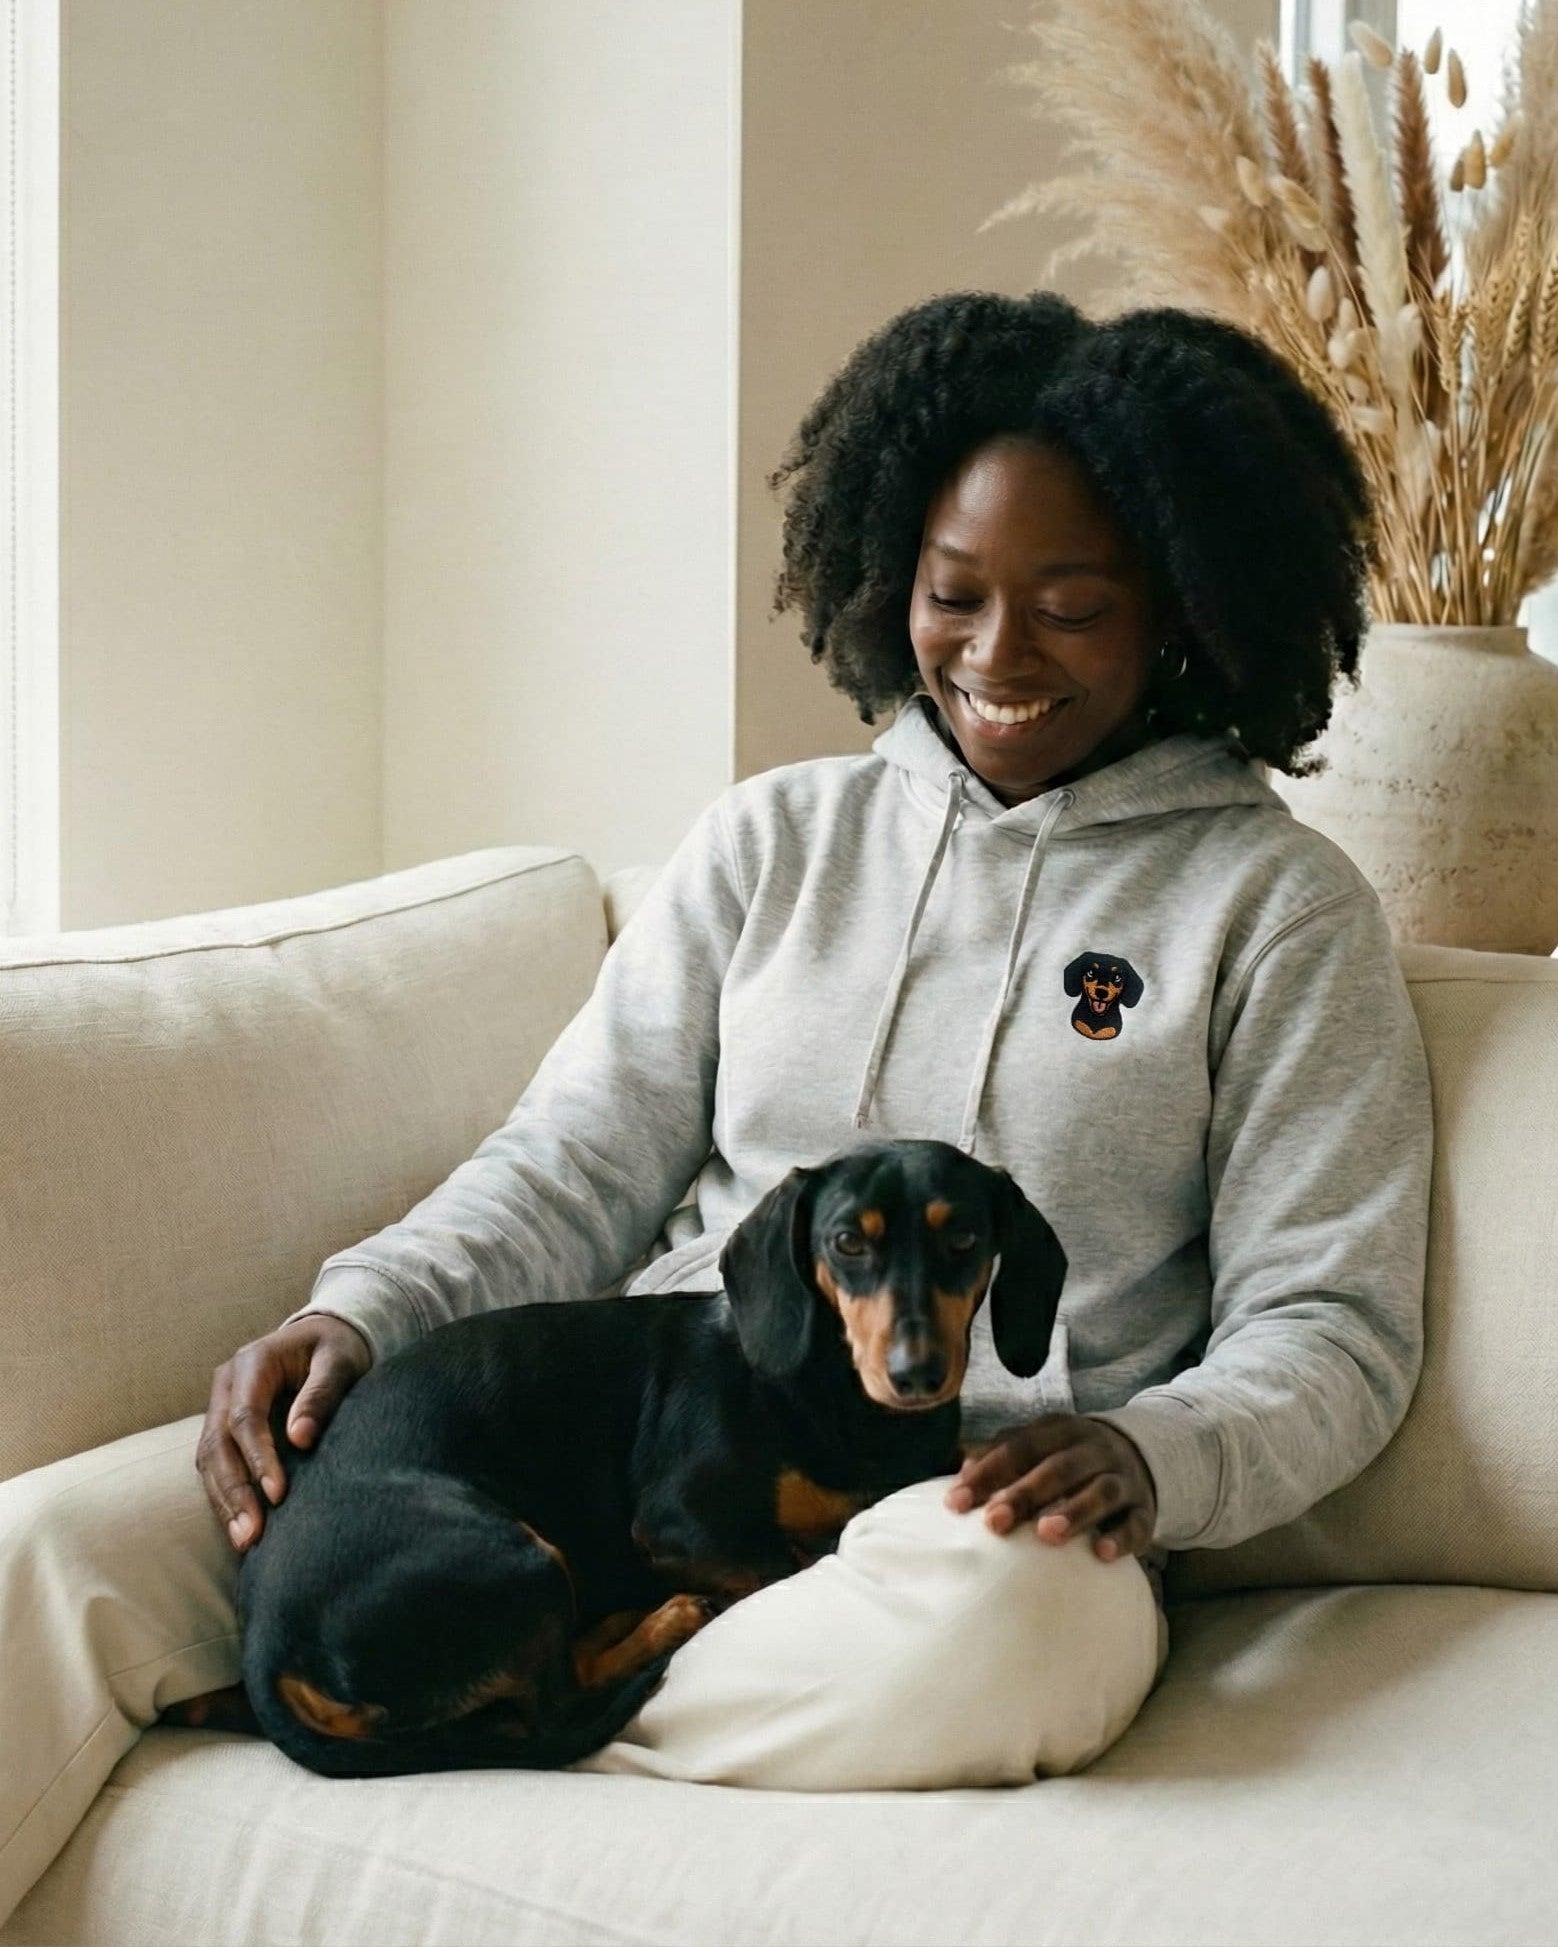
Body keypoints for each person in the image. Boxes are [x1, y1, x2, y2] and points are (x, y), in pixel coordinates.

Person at [0, 291, 1434, 1907]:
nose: (995, 655)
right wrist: (362, 1315)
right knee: (43, 1555)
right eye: (949, 596)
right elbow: (572, 1162)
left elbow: (1334, 1324)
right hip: (612, 1471)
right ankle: (529, 1670)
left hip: (978, 1517)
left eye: (1072, 605)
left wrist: (1155, 1454)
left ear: (1183, 604)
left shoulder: (1277, 908)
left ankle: (502, 1691)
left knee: (1002, 1629)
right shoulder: (771, 843)